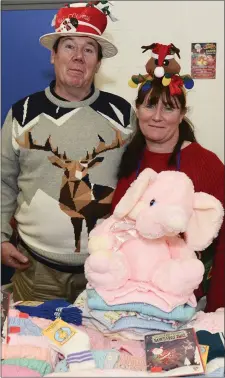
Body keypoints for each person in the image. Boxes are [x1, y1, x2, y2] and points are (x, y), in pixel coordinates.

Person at [1, 2, 135, 302]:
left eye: (89, 49)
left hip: (107, 272)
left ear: (98, 62)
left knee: (104, 348)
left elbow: (144, 175)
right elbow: (2, 180)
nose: (78, 56)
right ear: (53, 55)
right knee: (32, 349)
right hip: (35, 270)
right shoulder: (22, 113)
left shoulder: (123, 114)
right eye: (69, 46)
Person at [111, 75, 224, 313]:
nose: (157, 116)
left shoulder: (206, 164)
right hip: (127, 300)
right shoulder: (127, 159)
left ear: (182, 115)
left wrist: (217, 307)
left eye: (169, 108)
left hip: (184, 304)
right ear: (138, 109)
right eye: (150, 105)